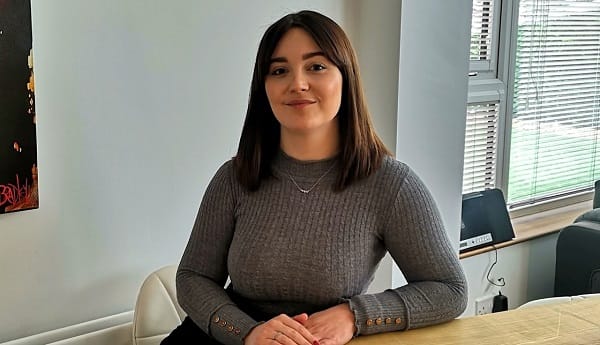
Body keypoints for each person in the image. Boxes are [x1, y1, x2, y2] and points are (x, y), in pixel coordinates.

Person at [162, 10, 467, 345]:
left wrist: (355, 314)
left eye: (316, 66)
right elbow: (193, 277)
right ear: (264, 88)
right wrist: (246, 333)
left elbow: (449, 290)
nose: (298, 84)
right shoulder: (234, 177)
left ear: (345, 77)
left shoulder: (390, 184)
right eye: (279, 70)